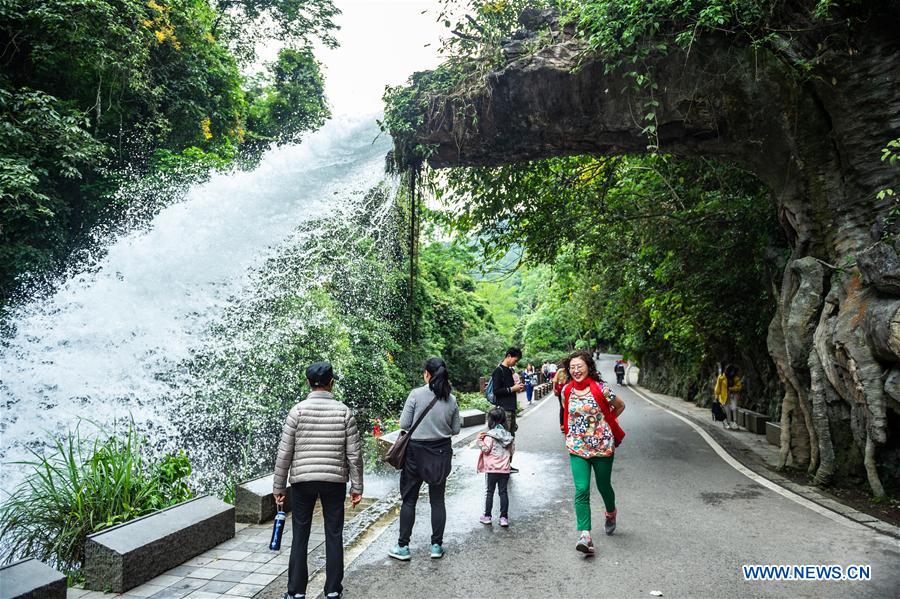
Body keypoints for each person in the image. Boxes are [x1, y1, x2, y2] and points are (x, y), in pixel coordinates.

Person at [273, 361, 363, 599]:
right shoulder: (344, 411)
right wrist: (357, 487)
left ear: (308, 383)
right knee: (334, 534)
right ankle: (333, 590)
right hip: (334, 482)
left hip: (302, 482)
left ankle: (296, 592)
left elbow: (285, 452)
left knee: (300, 535)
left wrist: (278, 486)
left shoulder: (297, 411)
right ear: (331, 383)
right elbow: (354, 453)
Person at [389, 357, 461, 561]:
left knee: (409, 500)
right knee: (437, 501)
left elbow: (404, 423)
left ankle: (403, 547)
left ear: (427, 374)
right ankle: (436, 546)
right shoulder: (451, 399)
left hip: (415, 454)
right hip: (440, 453)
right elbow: (455, 429)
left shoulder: (416, 394)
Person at [561, 350, 625, 555]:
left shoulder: (601, 389)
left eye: (579, 366)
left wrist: (605, 422)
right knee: (581, 489)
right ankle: (585, 535)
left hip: (602, 445)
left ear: (588, 366)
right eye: (572, 367)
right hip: (578, 447)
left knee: (604, 485)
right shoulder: (566, 391)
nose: (576, 370)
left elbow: (620, 405)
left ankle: (610, 512)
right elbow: (567, 413)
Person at [477, 407, 515, 527]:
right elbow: (512, 451)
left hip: (492, 469)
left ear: (490, 421)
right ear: (504, 420)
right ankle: (504, 518)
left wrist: (479, 440)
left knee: (490, 492)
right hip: (504, 469)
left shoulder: (489, 436)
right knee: (503, 492)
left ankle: (487, 516)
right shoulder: (508, 436)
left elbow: (486, 450)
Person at [724, 364, 743, 430]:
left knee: (734, 408)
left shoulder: (736, 378)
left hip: (734, 395)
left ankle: (735, 422)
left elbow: (739, 387)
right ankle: (728, 422)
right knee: (727, 409)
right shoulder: (723, 378)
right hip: (726, 395)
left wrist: (731, 389)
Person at [553, 361, 569, 432]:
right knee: (562, 407)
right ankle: (562, 424)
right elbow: (555, 380)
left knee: (569, 407)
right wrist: (554, 389)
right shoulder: (560, 371)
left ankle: (568, 424)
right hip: (560, 391)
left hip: (569, 391)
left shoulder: (571, 371)